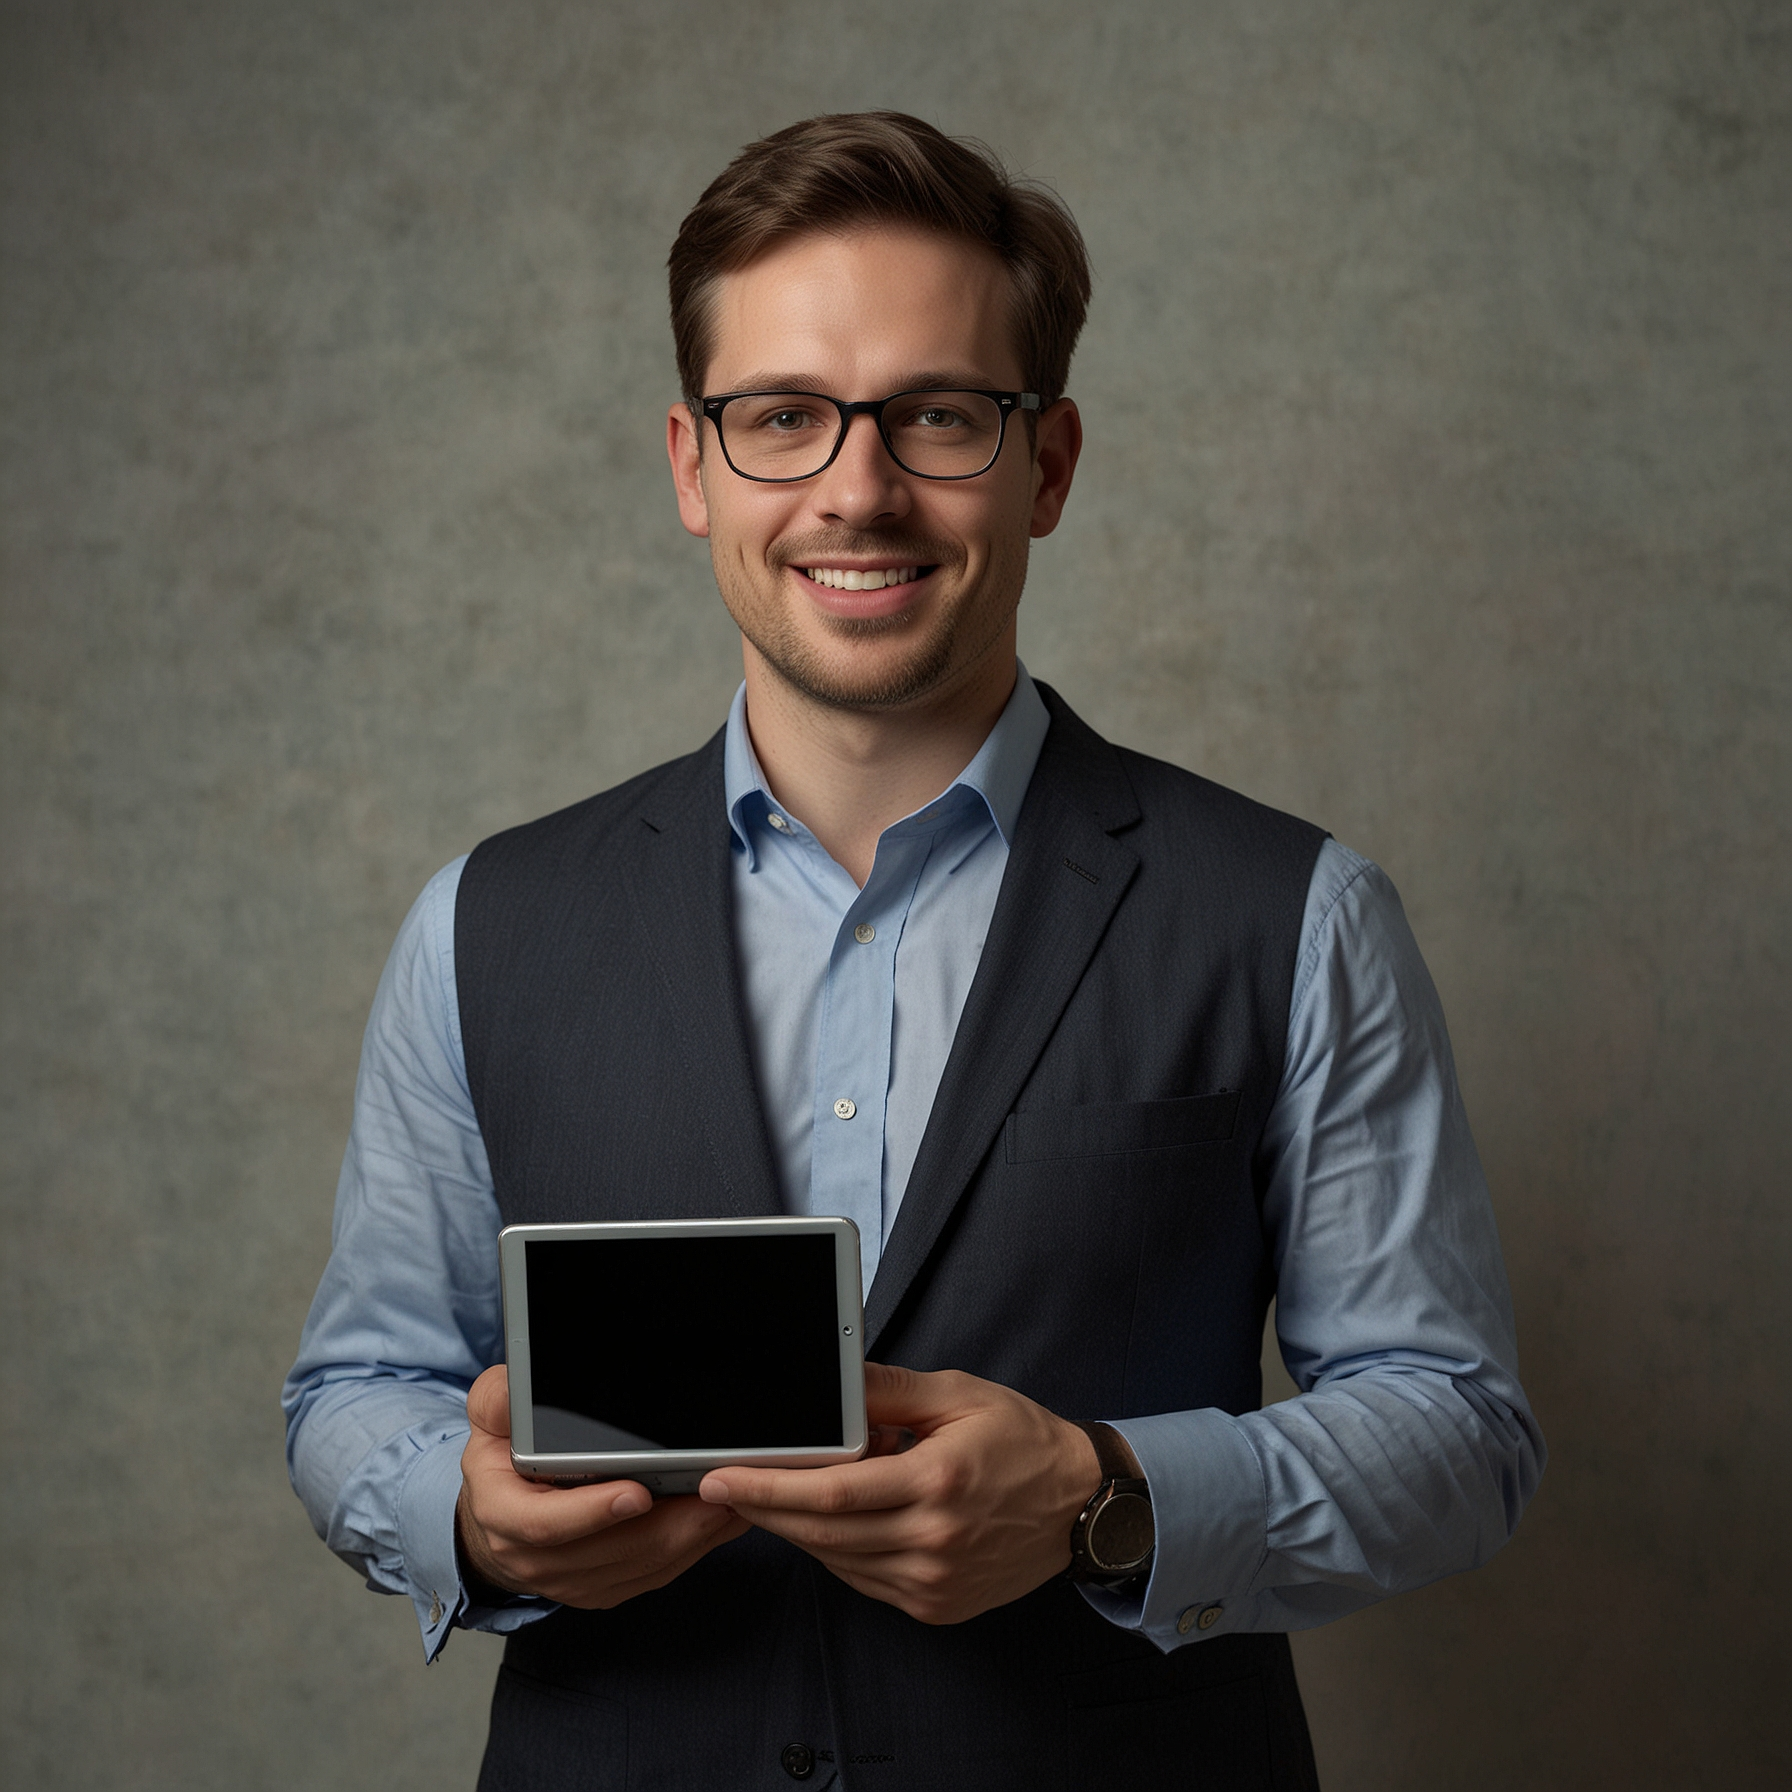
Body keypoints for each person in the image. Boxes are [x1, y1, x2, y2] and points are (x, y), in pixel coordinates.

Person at [285, 112, 1544, 1790]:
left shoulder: (1297, 914)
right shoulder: (481, 925)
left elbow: (1456, 1430)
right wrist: (469, 1514)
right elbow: (361, 1385)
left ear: (1049, 462)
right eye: (782, 418)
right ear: (690, 465)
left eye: (939, 415)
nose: (857, 488)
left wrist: (1108, 1497)